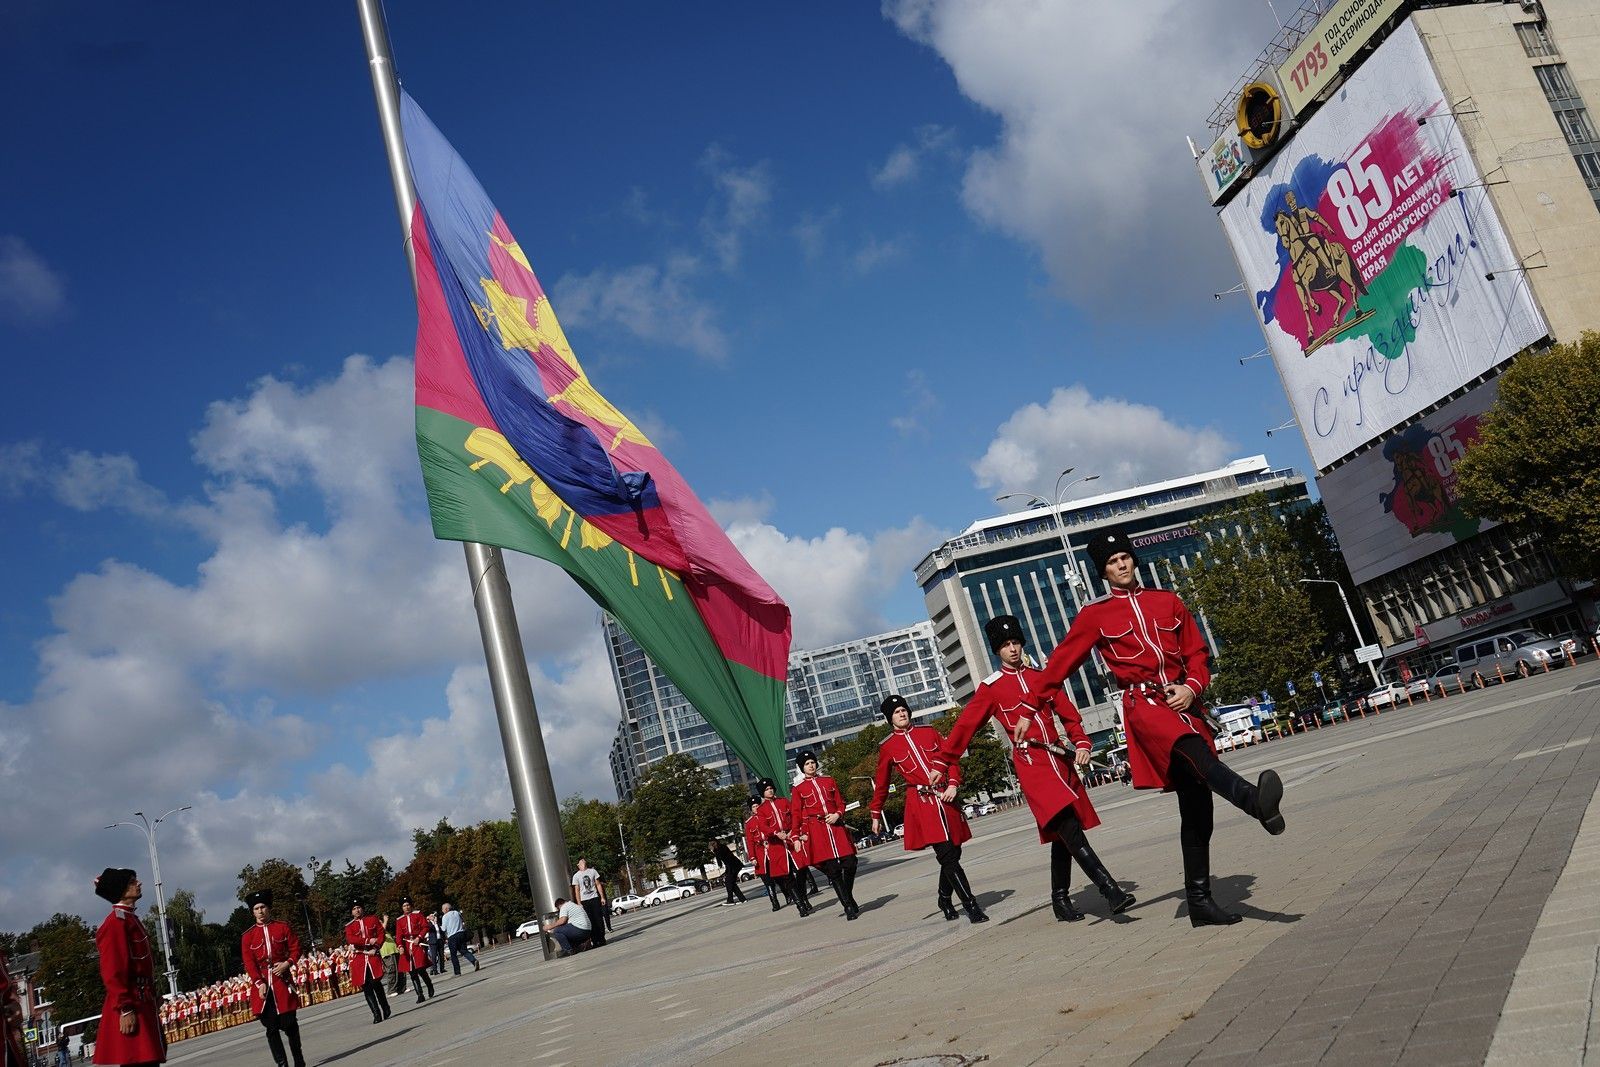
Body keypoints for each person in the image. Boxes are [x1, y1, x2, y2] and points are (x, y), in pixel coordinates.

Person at [1037, 530, 1286, 927]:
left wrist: (1192, 687)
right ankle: (1254, 801)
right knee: (1195, 753)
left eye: (1125, 557)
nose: (1121, 564)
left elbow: (1196, 652)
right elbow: (1058, 667)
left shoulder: (1167, 601)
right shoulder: (1094, 615)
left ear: (1133, 560)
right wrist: (1027, 710)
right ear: (1102, 570)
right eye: (1112, 561)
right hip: (1144, 707)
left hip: (1186, 704)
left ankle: (1200, 903)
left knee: (1198, 807)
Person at [932, 614, 1134, 922]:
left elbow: (1068, 714)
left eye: (1016, 642)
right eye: (1005, 645)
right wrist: (944, 761)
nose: (1012, 649)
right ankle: (1110, 891)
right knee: (1068, 827)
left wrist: (1081, 742)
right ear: (996, 651)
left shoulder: (1043, 677)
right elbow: (965, 726)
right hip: (1032, 765)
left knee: (1064, 834)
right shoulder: (991, 688)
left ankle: (1060, 900)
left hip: (1059, 761)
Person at [871, 696, 987, 923]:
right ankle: (971, 906)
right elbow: (882, 784)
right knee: (947, 856)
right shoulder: (887, 747)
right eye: (896, 712)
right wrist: (876, 813)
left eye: (904, 710)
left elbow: (951, 758)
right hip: (922, 804)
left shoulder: (929, 732)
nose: (902, 714)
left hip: (946, 798)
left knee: (954, 853)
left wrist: (954, 783)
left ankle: (944, 897)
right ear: (889, 719)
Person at [90, 867, 165, 1066]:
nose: (138, 883)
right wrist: (125, 1008)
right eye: (132, 881)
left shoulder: (129, 919)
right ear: (121, 889)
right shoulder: (115, 923)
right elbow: (113, 971)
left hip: (142, 999)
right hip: (130, 1002)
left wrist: (154, 994)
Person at [239, 890, 307, 1067]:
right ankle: (282, 1064)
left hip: (282, 982)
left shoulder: (282, 927)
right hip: (263, 987)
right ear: (252, 912)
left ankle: (298, 1060)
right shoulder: (247, 936)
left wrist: (287, 963)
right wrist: (258, 982)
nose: (260, 911)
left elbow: (295, 948)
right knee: (271, 1028)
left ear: (268, 908)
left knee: (290, 1025)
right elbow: (249, 962)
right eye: (256, 908)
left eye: (263, 907)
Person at [791, 751, 861, 920]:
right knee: (834, 871)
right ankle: (848, 906)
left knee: (851, 862)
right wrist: (795, 836)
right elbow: (796, 814)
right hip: (818, 830)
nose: (811, 765)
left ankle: (848, 896)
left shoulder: (828, 780)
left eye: (813, 762)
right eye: (807, 763)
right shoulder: (798, 789)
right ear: (802, 768)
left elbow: (840, 802)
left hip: (836, 826)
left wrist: (838, 814)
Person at [754, 778, 812, 916]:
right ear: (763, 793)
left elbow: (794, 815)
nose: (770, 790)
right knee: (787, 877)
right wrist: (775, 833)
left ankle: (803, 897)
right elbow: (763, 826)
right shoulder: (762, 809)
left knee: (802, 870)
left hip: (791, 840)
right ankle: (800, 905)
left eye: (771, 788)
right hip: (776, 845)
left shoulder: (783, 801)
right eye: (767, 789)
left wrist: (794, 831)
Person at [343, 900, 390, 1024]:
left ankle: (385, 1007)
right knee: (366, 987)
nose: (357, 910)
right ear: (351, 912)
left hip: (372, 956)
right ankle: (376, 1013)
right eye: (354, 908)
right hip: (359, 958)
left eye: (359, 907)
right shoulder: (349, 926)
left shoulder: (372, 919)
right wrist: (369, 941)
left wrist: (376, 947)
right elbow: (351, 939)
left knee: (376, 983)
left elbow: (381, 934)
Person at [392, 898, 435, 1004]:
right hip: (407, 946)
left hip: (417, 944)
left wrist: (419, 937)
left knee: (421, 969)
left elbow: (425, 927)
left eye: (408, 905)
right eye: (404, 906)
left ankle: (429, 985)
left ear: (411, 906)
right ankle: (419, 994)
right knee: (412, 972)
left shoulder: (417, 914)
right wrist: (400, 946)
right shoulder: (399, 920)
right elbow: (398, 935)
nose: (406, 907)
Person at [742, 797, 778, 910]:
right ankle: (774, 902)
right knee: (767, 880)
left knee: (780, 876)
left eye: (757, 805)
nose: (756, 808)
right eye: (753, 806)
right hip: (760, 852)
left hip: (772, 848)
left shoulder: (767, 816)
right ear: (751, 809)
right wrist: (752, 857)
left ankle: (788, 895)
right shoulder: (749, 823)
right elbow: (750, 842)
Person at [569, 860, 607, 947]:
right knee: (589, 921)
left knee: (599, 919)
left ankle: (601, 938)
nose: (582, 861)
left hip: (594, 898)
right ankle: (595, 940)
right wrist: (579, 902)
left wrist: (602, 897)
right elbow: (577, 890)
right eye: (580, 860)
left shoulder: (592, 871)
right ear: (578, 865)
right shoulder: (576, 876)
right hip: (584, 901)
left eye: (583, 860)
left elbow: (598, 884)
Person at [439, 902, 479, 974]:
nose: (442, 911)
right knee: (464, 950)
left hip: (452, 936)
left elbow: (443, 929)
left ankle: (457, 972)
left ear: (446, 909)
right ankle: (473, 960)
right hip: (461, 934)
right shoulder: (457, 913)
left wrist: (439, 926)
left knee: (453, 955)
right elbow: (463, 921)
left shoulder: (445, 916)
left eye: (442, 909)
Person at [710, 839, 746, 904]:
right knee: (732, 883)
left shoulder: (719, 850)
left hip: (733, 866)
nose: (711, 850)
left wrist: (727, 869)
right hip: (735, 865)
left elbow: (723, 860)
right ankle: (742, 899)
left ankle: (730, 900)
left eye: (711, 848)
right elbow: (726, 859)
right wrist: (727, 870)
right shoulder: (722, 847)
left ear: (713, 845)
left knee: (728, 883)